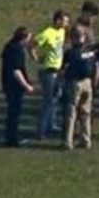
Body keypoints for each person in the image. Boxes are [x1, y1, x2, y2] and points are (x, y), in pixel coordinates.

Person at [31, 10, 70, 141]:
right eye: (65, 21)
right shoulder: (47, 33)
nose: (67, 24)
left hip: (58, 70)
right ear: (58, 20)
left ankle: (51, 125)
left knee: (55, 98)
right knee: (48, 101)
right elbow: (32, 45)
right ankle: (40, 131)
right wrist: (36, 58)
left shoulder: (62, 32)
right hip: (47, 71)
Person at [61, 27, 99, 150]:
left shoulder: (71, 52)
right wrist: (94, 82)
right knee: (85, 113)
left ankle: (68, 141)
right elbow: (97, 67)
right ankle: (86, 140)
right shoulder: (90, 51)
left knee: (71, 112)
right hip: (88, 82)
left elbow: (64, 69)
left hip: (75, 82)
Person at [0, 26, 35, 147]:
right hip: (14, 86)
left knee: (12, 112)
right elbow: (16, 71)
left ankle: (10, 136)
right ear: (24, 38)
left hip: (7, 84)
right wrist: (26, 85)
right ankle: (12, 139)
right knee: (14, 113)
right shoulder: (17, 50)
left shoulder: (9, 47)